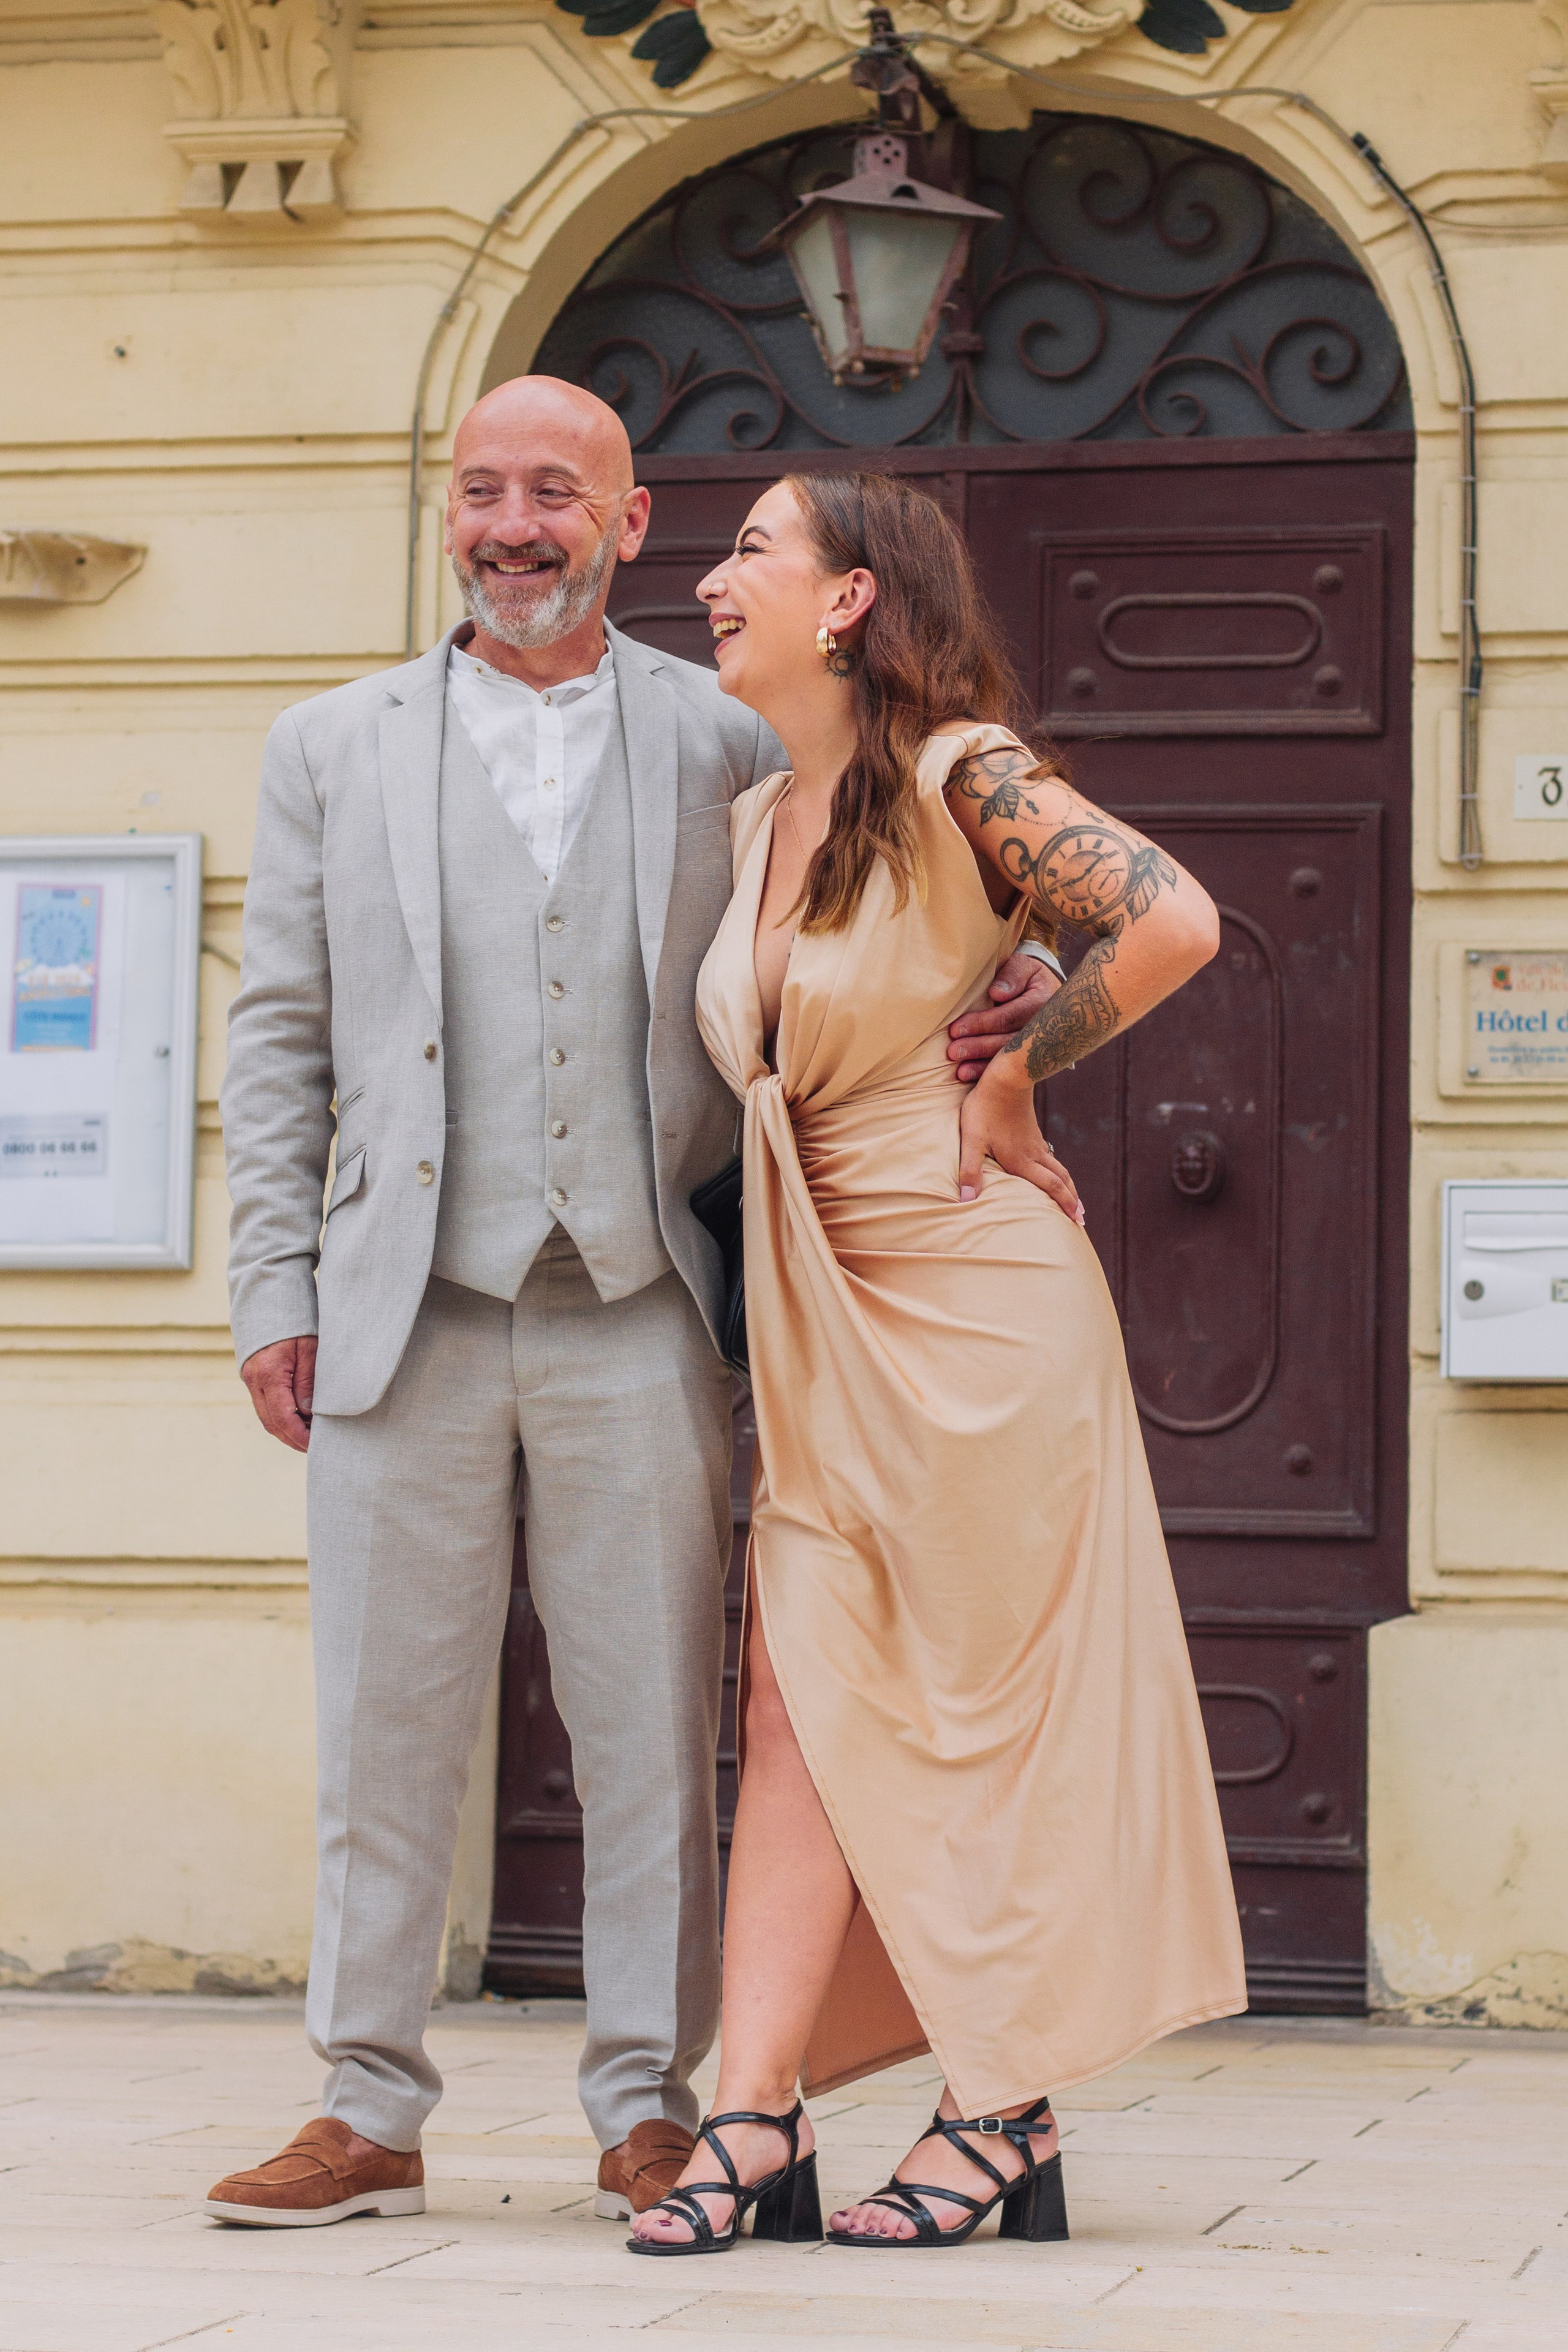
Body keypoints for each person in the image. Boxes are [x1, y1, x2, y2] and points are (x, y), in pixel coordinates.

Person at [205, 383, 1073, 2230]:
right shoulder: (326, 745)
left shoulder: (723, 730)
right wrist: (270, 1286)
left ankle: (651, 2104)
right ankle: (365, 2103)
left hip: (645, 1293)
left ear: (627, 517)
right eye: (482, 493)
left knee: (651, 1725)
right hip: (397, 1308)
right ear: (453, 517)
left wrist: (1033, 982)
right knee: (383, 1723)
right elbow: (278, 1037)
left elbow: (916, 862)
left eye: (554, 495)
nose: (514, 525)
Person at [628, 470, 1246, 2257]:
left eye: (751, 547)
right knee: (796, 1693)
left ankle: (1002, 2108)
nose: (715, 574)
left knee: (981, 1713)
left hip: (976, 1295)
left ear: (849, 602)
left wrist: (1013, 1065)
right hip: (822, 1303)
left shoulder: (962, 768)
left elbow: (1175, 918)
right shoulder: (761, 816)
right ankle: (753, 2114)